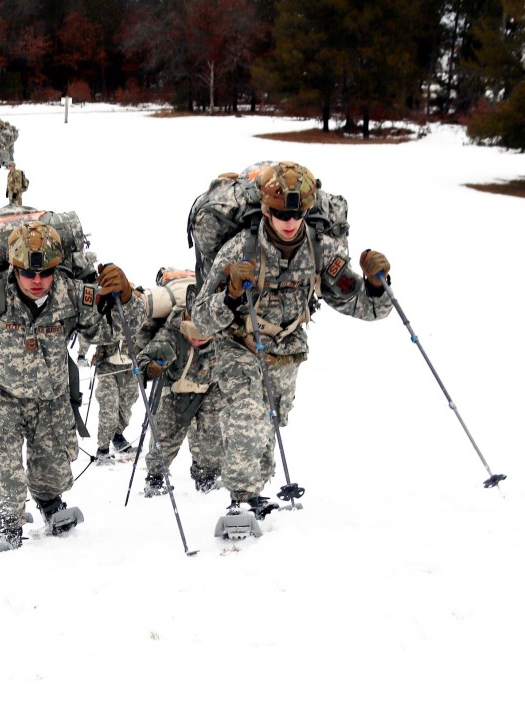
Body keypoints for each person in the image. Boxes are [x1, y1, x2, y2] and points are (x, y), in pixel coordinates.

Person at [0, 220, 137, 555]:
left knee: (52, 463)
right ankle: (7, 523)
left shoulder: (72, 293)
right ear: (13, 268)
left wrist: (125, 297)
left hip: (50, 396)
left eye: (45, 273)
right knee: (0, 457)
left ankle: (50, 503)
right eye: (28, 273)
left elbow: (110, 332)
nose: (37, 282)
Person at [192, 160, 393, 523]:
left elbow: (361, 305)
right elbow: (202, 318)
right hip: (239, 343)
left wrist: (377, 286)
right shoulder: (241, 248)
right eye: (281, 214)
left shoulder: (323, 249)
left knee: (270, 420)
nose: (289, 222)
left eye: (297, 214)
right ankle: (241, 500)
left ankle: (254, 492)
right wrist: (231, 295)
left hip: (286, 348)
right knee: (247, 418)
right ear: (266, 210)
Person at [137, 296, 223, 496]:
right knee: (166, 437)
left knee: (212, 437)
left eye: (204, 338)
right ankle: (155, 479)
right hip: (177, 392)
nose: (199, 341)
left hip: (210, 390)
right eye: (195, 336)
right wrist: (150, 368)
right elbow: (143, 360)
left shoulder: (221, 330)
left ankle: (206, 477)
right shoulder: (170, 336)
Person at [88, 273, 146, 464]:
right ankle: (103, 448)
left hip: (129, 367)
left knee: (126, 406)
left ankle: (118, 436)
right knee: (109, 406)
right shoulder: (106, 312)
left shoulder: (139, 314)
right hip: (107, 368)